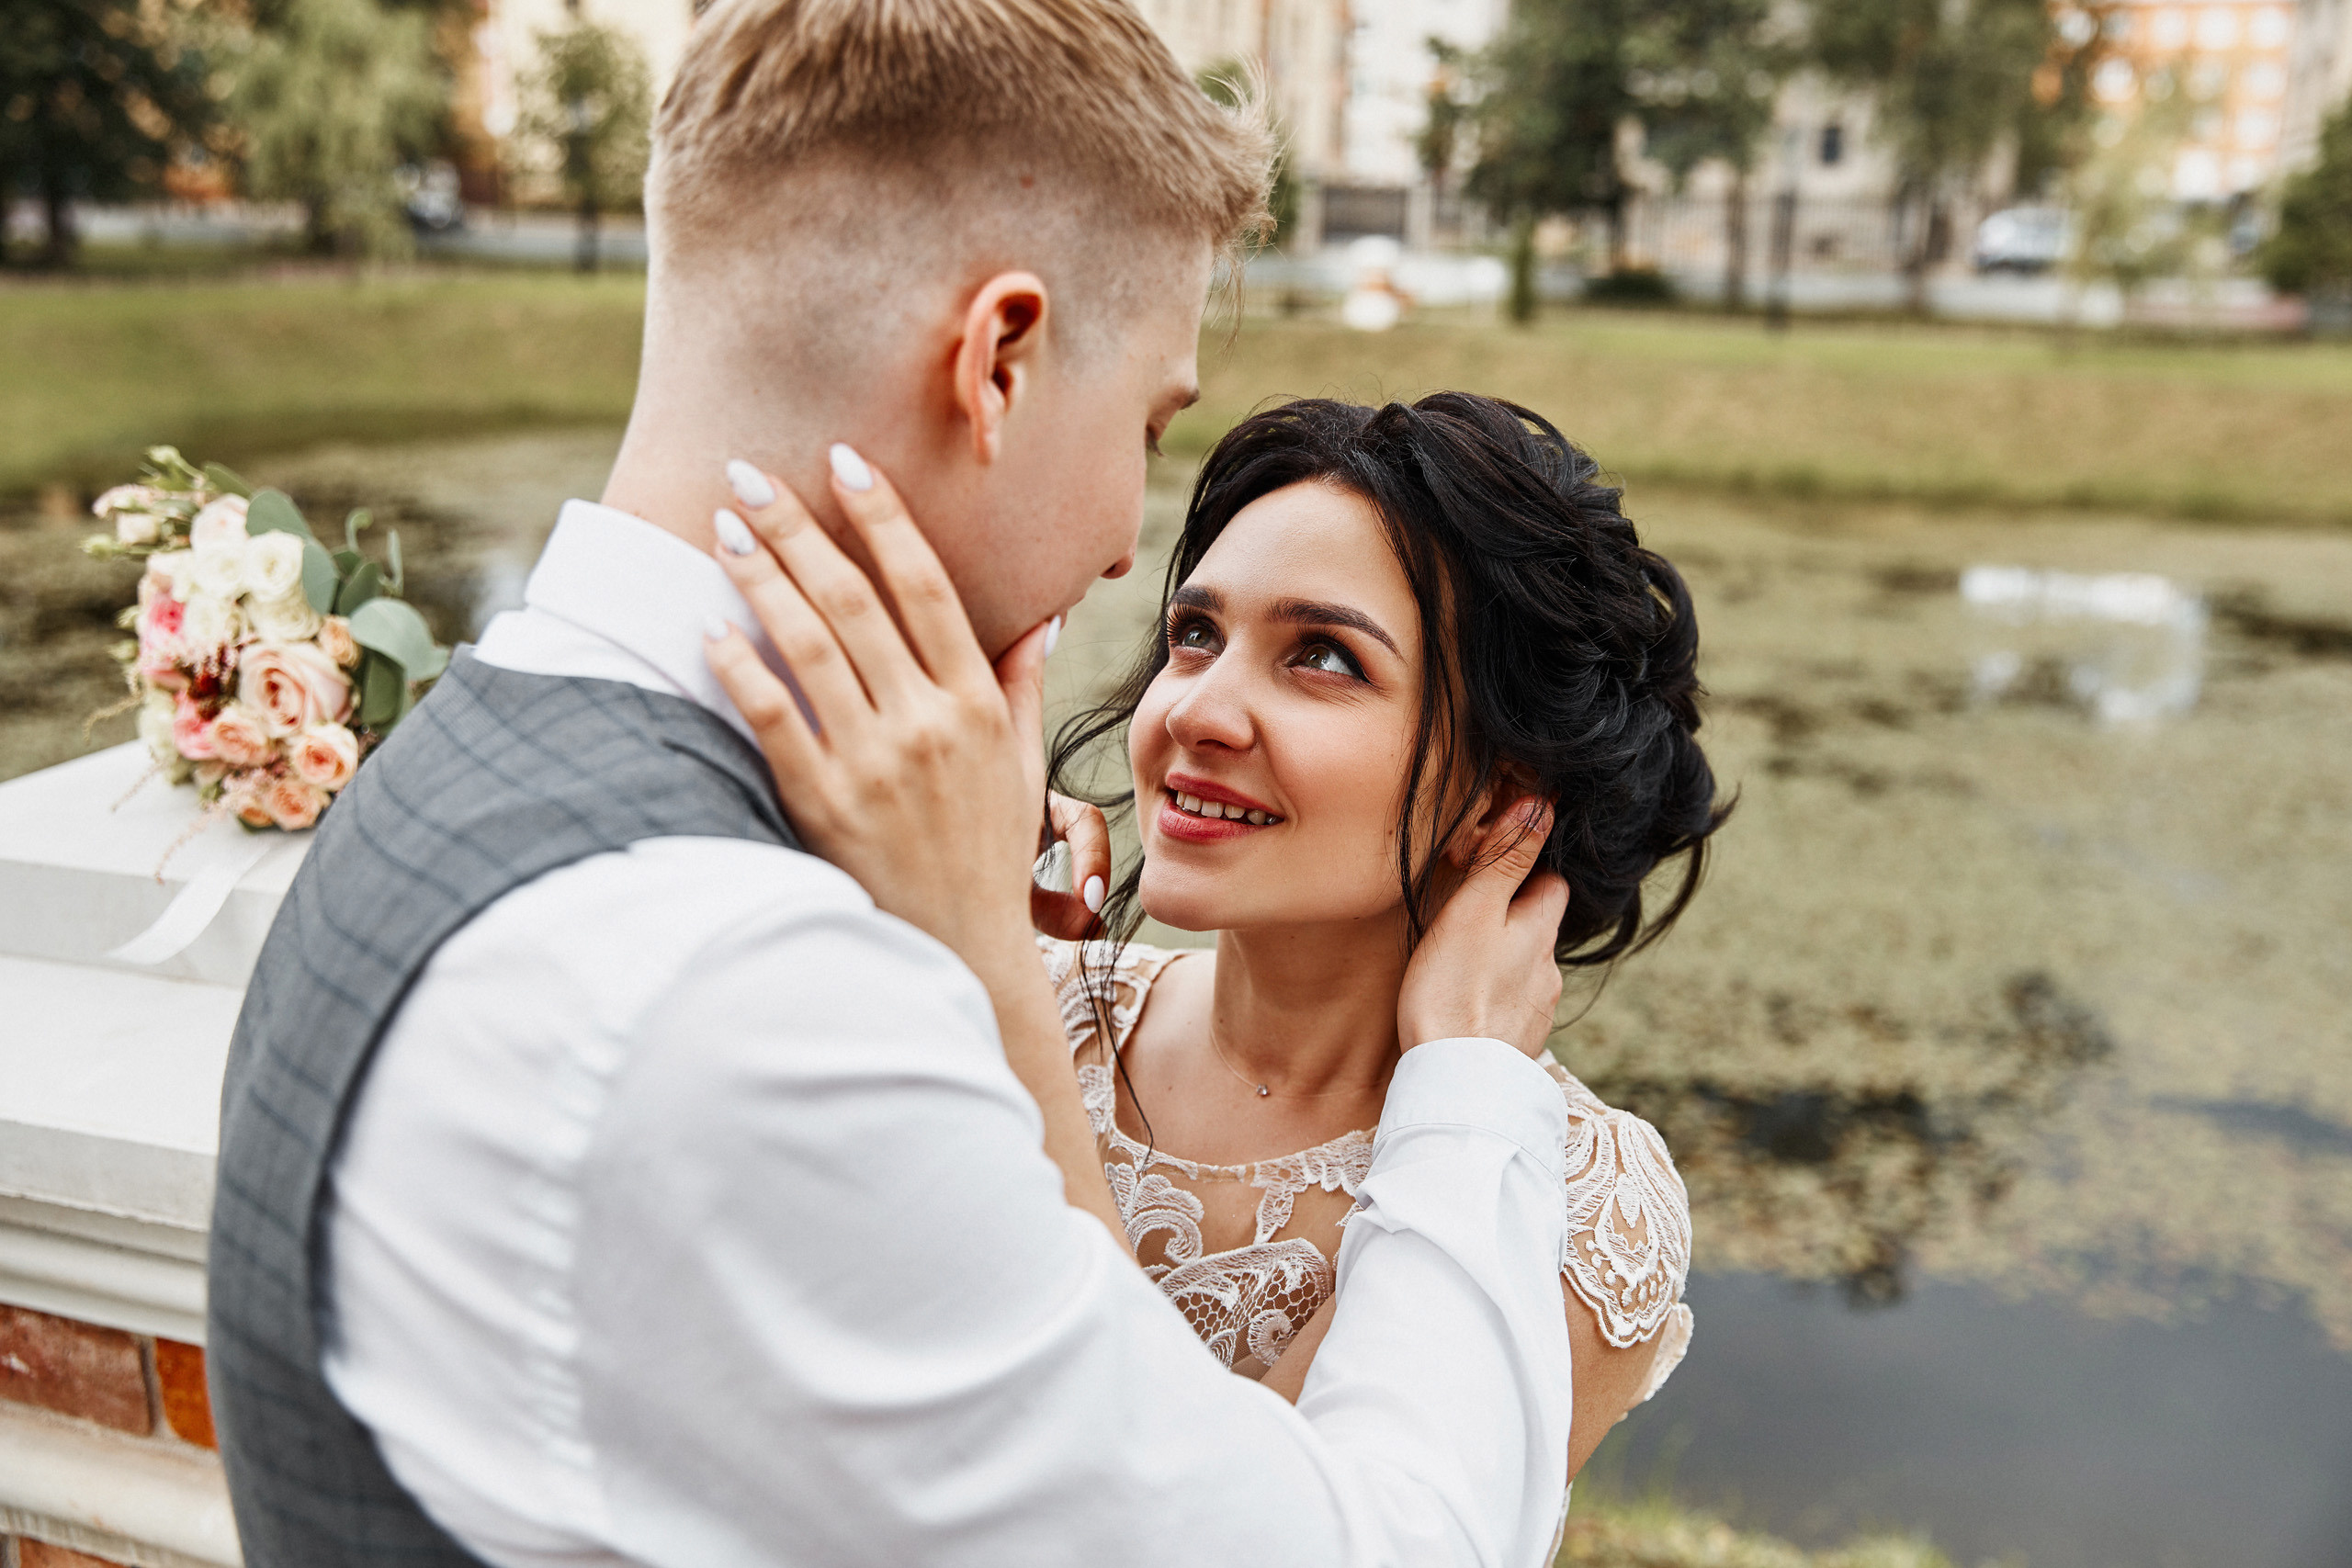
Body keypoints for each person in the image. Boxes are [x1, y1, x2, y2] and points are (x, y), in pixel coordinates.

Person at [206, 4, 1585, 1566]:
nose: (1135, 540)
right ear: (998, 359)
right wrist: (1469, 1086)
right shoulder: (738, 986)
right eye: (1149, 421)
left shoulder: (480, 764)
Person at [705, 393, 1726, 1509]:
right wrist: (926, 935)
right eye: (1195, 635)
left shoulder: (1571, 1195)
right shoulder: (1009, 989)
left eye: (1323, 657)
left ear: (1501, 795)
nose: (1197, 709)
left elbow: (1208, 1526)